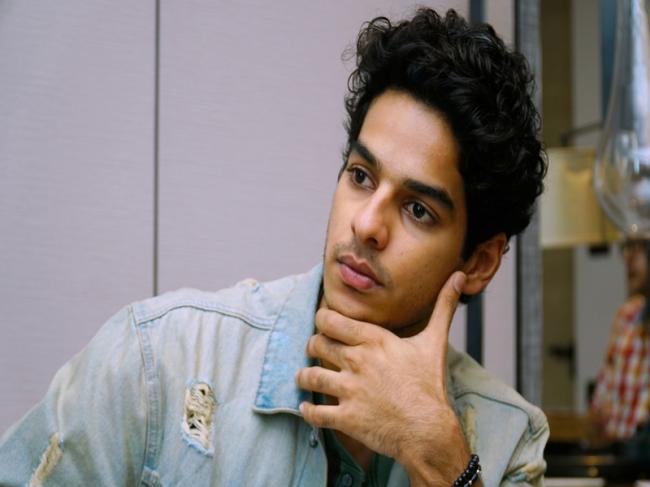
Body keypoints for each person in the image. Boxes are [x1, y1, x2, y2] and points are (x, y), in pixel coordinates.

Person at [0, 8, 548, 486]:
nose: (366, 225)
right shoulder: (156, 361)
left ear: (479, 262)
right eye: (360, 176)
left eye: (418, 209)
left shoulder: (506, 438)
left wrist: (446, 464)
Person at [591, 238, 650, 444]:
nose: (628, 257)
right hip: (619, 455)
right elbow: (601, 404)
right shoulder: (627, 316)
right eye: (627, 247)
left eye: (640, 247)